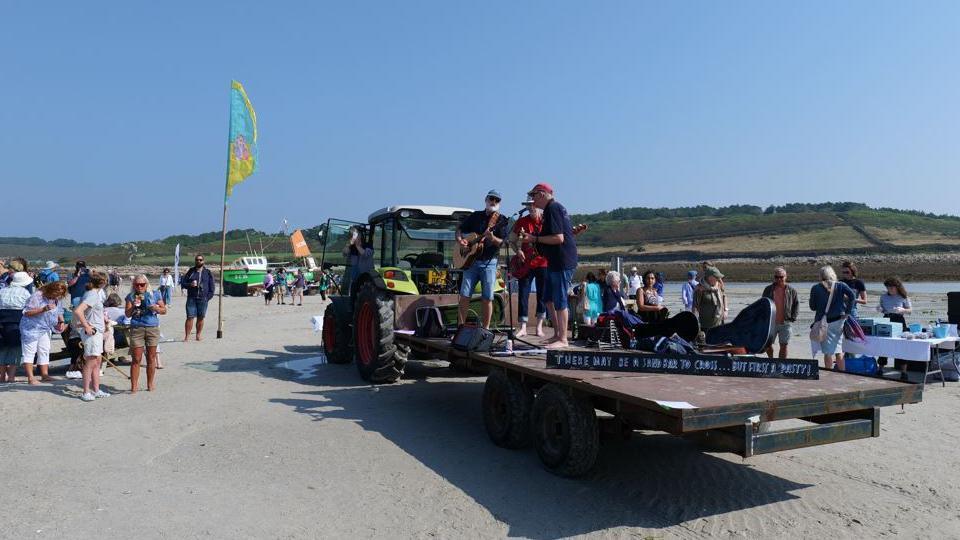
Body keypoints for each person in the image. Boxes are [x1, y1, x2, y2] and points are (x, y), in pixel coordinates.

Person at [520, 183, 577, 348]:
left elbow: (559, 238)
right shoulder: (554, 209)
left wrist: (534, 239)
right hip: (555, 260)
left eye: (534, 195)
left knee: (559, 299)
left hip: (562, 261)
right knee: (549, 298)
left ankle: (563, 339)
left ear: (542, 194)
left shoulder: (553, 209)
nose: (532, 200)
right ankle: (557, 334)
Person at [456, 189, 509, 328]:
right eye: (491, 199)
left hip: (489, 263)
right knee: (464, 295)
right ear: (486, 200)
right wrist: (460, 240)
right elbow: (459, 229)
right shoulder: (475, 216)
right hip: (471, 263)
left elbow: (503, 242)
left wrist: (491, 237)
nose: (493, 202)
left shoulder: (501, 220)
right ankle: (460, 327)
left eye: (496, 200)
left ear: (499, 203)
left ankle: (485, 329)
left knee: (487, 297)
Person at [510, 200, 547, 337]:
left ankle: (539, 327)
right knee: (523, 293)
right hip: (525, 263)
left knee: (542, 294)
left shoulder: (546, 221)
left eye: (534, 205)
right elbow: (512, 240)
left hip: (543, 262)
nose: (531, 207)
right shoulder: (521, 221)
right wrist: (518, 251)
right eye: (529, 205)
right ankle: (523, 327)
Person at [20, 279, 68, 385]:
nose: (57, 296)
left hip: (45, 327)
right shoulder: (37, 296)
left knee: (44, 350)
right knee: (30, 352)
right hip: (31, 328)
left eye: (60, 295)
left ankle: (45, 375)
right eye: (56, 294)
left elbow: (59, 310)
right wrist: (43, 309)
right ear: (51, 289)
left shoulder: (56, 299)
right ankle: (30, 377)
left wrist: (61, 321)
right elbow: (27, 312)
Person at [809, 265, 857, 371]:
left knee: (827, 352)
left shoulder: (816, 288)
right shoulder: (841, 285)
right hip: (839, 321)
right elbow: (853, 296)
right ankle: (842, 373)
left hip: (824, 322)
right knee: (838, 350)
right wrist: (848, 312)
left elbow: (812, 307)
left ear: (821, 276)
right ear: (833, 274)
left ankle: (829, 373)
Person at [126, 274, 166, 392]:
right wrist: (133, 305)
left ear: (146, 284)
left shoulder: (154, 294)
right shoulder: (131, 296)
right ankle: (134, 386)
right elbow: (127, 314)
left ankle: (150, 384)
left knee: (151, 357)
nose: (139, 287)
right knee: (136, 359)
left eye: (142, 284)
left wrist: (155, 308)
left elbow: (164, 310)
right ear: (134, 285)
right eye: (137, 284)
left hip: (152, 328)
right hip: (137, 328)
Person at [73, 272, 108, 401]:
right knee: (91, 361)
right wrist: (87, 326)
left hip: (96, 331)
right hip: (92, 332)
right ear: (103, 283)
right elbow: (78, 311)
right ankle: (86, 391)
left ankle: (96, 389)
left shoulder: (91, 294)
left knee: (97, 361)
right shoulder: (92, 295)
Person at [0, 273, 32, 382]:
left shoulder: (2, 290)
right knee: (16, 349)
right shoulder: (25, 292)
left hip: (2, 320)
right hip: (17, 320)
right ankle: (11, 377)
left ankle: (2, 376)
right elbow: (29, 308)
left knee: (3, 348)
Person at [762, 267, 799, 359]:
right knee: (767, 344)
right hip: (771, 322)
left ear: (785, 277)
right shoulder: (768, 289)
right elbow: (762, 304)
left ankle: (781, 364)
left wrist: (793, 317)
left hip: (786, 322)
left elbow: (796, 304)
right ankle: (771, 360)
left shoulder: (792, 290)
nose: (779, 279)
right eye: (776, 277)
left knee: (784, 345)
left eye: (781, 277)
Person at [181, 255, 215, 341]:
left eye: (200, 260)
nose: (198, 261)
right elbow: (183, 283)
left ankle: (198, 335)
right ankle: (187, 336)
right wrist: (190, 285)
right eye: (197, 260)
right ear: (195, 261)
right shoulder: (191, 271)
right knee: (190, 317)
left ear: (203, 261)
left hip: (203, 298)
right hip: (191, 298)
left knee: (201, 317)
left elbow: (212, 286)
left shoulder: (207, 272)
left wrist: (208, 297)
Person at [342, 226, 374, 295]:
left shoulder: (368, 245)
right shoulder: (351, 248)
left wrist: (357, 245)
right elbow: (344, 253)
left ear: (360, 235)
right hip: (355, 278)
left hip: (367, 278)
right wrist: (349, 244)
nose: (355, 237)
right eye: (352, 235)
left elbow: (365, 254)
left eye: (356, 235)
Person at [693, 266, 727, 331]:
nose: (718, 279)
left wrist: (726, 310)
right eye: (716, 277)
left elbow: (724, 297)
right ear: (709, 277)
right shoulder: (699, 288)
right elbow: (695, 305)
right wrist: (695, 322)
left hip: (718, 321)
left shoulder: (719, 285)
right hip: (705, 323)